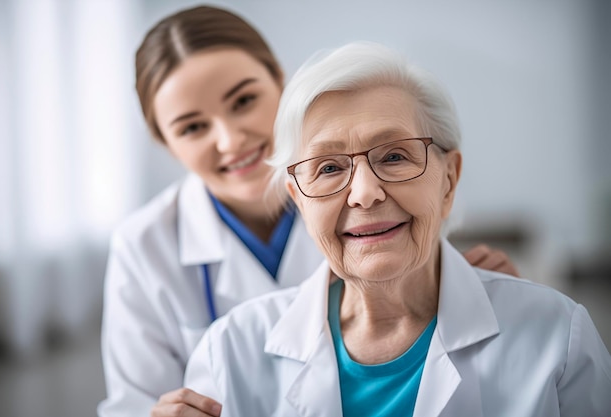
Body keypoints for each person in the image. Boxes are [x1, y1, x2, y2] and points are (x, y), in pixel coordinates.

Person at [98, 6, 520, 417]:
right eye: (192, 127)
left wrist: (468, 294)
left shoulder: (374, 199)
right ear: (163, 142)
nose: (230, 140)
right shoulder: (144, 246)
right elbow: (131, 402)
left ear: (280, 84)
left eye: (243, 100)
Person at [183, 41, 611, 416]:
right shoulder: (230, 352)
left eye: (394, 157)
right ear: (299, 201)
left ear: (449, 179)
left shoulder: (558, 336)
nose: (364, 193)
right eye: (329, 168)